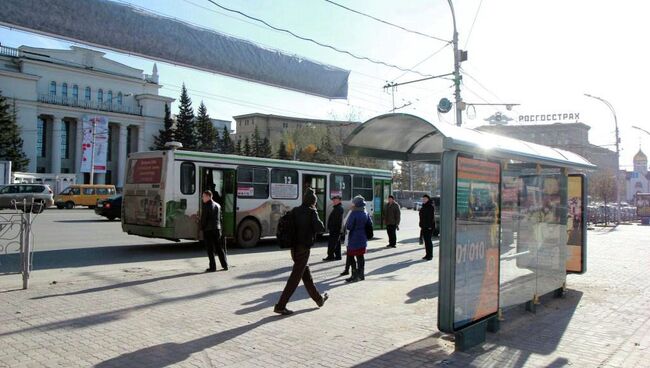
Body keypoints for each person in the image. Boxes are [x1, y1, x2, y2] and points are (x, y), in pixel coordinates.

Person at [274, 188, 328, 315]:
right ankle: (280, 306)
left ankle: (319, 300)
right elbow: (320, 228)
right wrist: (315, 212)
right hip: (303, 249)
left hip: (294, 248)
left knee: (306, 276)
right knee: (294, 279)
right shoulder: (311, 212)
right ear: (313, 202)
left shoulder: (295, 210)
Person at [344, 195, 372, 283]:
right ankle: (361, 274)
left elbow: (349, 226)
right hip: (363, 238)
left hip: (353, 238)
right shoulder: (365, 213)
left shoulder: (354, 213)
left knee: (351, 256)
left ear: (356, 204)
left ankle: (354, 275)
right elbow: (370, 224)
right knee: (360, 257)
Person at [201, 190, 228, 272]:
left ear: (209, 196)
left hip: (208, 230)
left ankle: (213, 267)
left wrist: (202, 227)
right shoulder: (218, 205)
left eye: (204, 196)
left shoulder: (206, 206)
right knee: (219, 248)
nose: (202, 198)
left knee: (210, 250)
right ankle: (225, 265)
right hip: (217, 229)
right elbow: (221, 219)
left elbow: (204, 219)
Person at [323, 195, 344, 261]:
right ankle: (338, 256)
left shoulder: (339, 208)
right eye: (333, 200)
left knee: (332, 243)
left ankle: (330, 256)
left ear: (339, 200)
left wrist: (332, 228)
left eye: (335, 200)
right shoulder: (337, 208)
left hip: (335, 229)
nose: (333, 201)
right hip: (335, 229)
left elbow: (336, 220)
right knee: (337, 243)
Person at [419, 194, 435, 261]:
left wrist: (430, 226)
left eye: (425, 199)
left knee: (428, 241)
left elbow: (431, 217)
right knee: (426, 241)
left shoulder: (430, 206)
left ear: (428, 199)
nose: (424, 200)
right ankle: (427, 254)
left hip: (429, 226)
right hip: (423, 226)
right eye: (423, 199)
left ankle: (430, 255)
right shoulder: (423, 206)